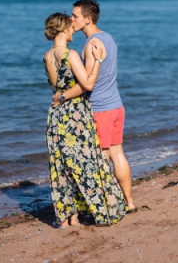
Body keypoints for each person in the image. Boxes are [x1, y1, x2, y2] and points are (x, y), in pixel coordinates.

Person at [53, 0, 137, 213]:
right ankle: (129, 202)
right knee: (118, 154)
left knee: (102, 159)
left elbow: (87, 84)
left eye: (75, 16)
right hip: (117, 106)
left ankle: (108, 207)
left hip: (101, 109)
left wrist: (62, 96)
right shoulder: (108, 38)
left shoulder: (91, 45)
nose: (72, 19)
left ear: (87, 20)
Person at [43, 12, 126, 227]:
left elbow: (59, 87)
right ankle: (89, 212)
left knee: (61, 166)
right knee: (85, 164)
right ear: (63, 30)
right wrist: (98, 60)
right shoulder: (69, 55)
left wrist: (60, 96)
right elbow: (87, 84)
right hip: (75, 114)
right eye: (70, 26)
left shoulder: (46, 55)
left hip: (56, 115)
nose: (73, 29)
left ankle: (65, 219)